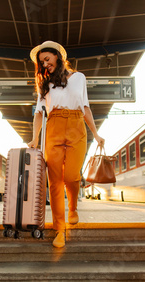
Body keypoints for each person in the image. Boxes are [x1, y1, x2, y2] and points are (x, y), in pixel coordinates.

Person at [28, 41, 105, 248]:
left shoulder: (79, 78)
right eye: (41, 62)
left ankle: (73, 207)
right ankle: (59, 230)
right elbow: (38, 113)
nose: (45, 64)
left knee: (71, 175)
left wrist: (96, 134)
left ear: (57, 56)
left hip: (76, 126)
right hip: (53, 126)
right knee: (54, 182)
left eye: (47, 59)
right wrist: (35, 138)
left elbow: (85, 106)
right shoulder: (45, 84)